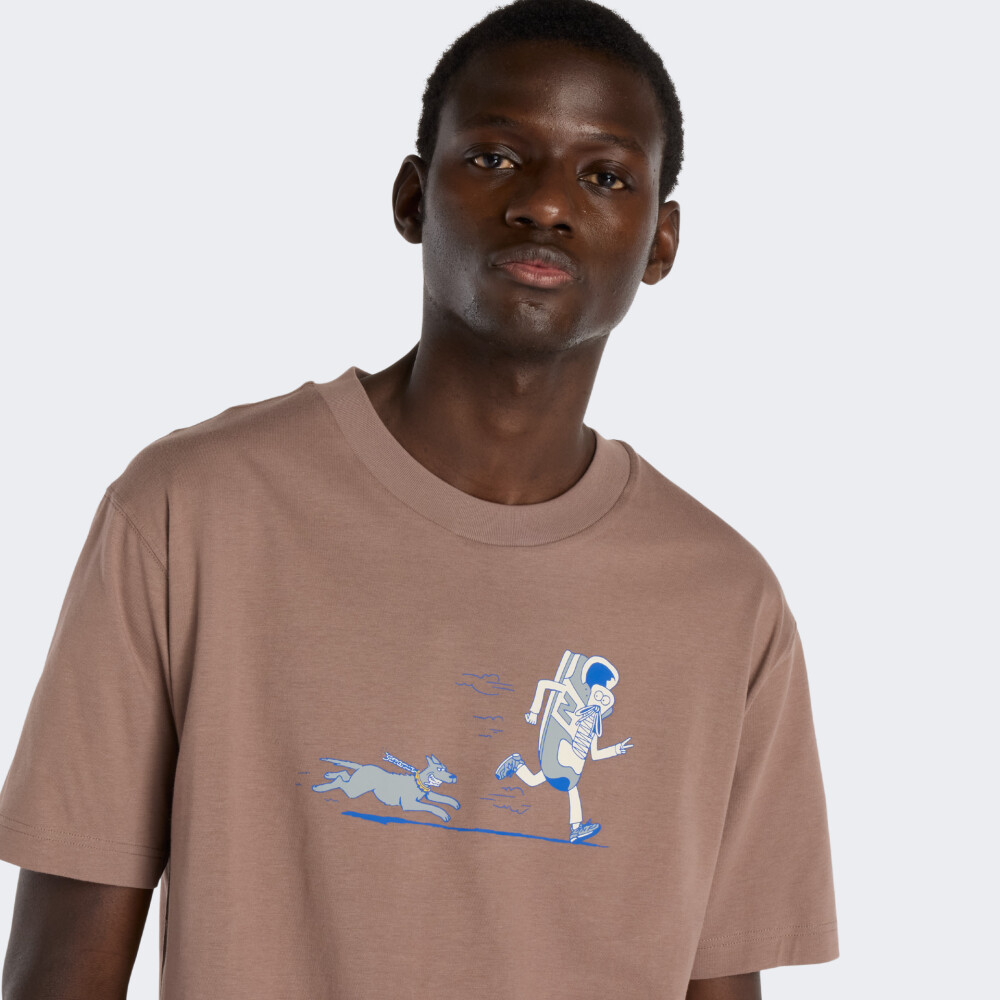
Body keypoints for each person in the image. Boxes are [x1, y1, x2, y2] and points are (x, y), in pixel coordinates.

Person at [0, 1, 839, 997]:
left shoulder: (726, 601)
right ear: (411, 196)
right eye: (495, 157)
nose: (545, 203)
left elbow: (722, 980)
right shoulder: (191, 513)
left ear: (660, 241)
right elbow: (63, 963)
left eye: (605, 175)